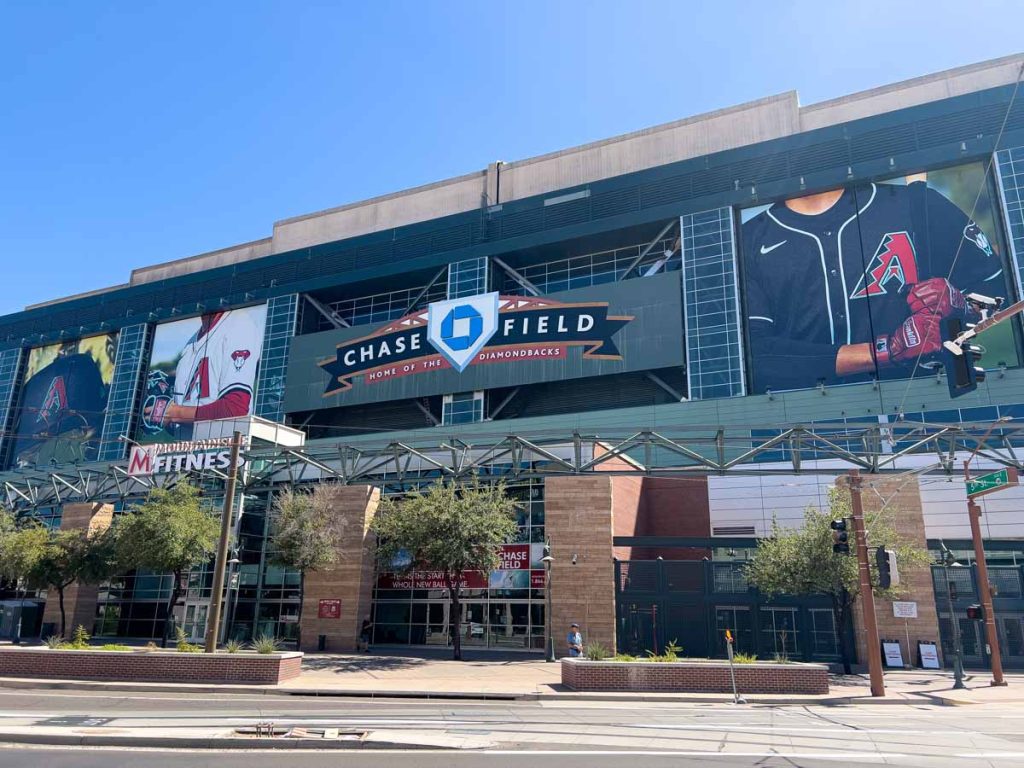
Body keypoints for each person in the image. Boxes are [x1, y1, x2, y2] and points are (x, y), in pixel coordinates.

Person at [741, 177, 1004, 392]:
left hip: (932, 404)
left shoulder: (916, 203)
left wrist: (962, 304)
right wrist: (886, 350)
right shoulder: (747, 240)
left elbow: (1001, 289)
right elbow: (755, 356)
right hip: (808, 426)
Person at [142, 307, 265, 439]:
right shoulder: (190, 343)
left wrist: (175, 413)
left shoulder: (239, 324)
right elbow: (185, 427)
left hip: (226, 453)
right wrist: (159, 415)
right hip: (187, 454)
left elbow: (235, 410)